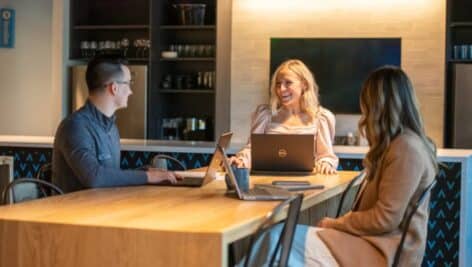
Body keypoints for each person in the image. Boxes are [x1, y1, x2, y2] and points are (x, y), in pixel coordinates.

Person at [245, 66, 437, 267]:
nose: (364, 110)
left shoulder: (405, 149)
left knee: (275, 238)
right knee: (273, 239)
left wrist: (337, 224)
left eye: (366, 102)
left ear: (378, 105)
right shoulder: (404, 144)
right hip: (371, 244)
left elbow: (385, 219)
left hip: (380, 253)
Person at [52, 56, 181, 193]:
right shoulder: (75, 126)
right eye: (128, 83)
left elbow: (110, 176)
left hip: (104, 208)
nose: (131, 91)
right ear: (114, 88)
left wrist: (147, 172)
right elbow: (95, 178)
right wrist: (147, 176)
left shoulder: (111, 127)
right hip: (74, 212)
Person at [231, 59, 338, 174]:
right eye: (278, 84)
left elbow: (326, 156)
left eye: (288, 83)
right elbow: (252, 150)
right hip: (266, 181)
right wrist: (241, 160)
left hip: (307, 184)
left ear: (304, 85)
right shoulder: (265, 115)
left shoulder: (321, 118)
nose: (281, 89)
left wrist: (326, 164)